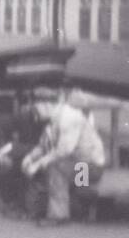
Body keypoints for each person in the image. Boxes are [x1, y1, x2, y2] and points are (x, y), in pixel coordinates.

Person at [21, 88, 107, 226]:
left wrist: (38, 164)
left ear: (52, 104)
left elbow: (64, 150)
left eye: (41, 103)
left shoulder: (69, 117)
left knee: (57, 166)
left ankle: (59, 216)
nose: (35, 107)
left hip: (88, 166)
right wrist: (30, 158)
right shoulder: (52, 121)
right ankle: (78, 207)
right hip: (76, 164)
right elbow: (44, 145)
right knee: (54, 167)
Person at [0, 104, 45, 218]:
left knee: (80, 171)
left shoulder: (68, 120)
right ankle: (16, 203)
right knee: (76, 173)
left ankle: (84, 206)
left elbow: (60, 149)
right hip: (62, 159)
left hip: (79, 161)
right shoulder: (64, 118)